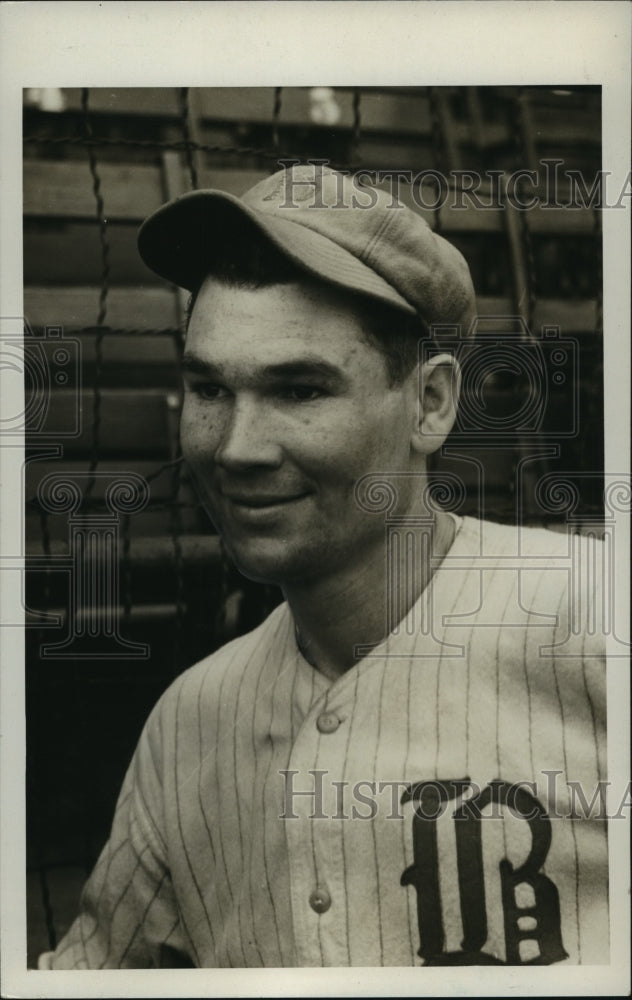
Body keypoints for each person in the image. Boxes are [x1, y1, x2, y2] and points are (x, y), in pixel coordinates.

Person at [39, 164, 608, 968]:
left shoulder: (597, 625)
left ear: (431, 403)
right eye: (208, 388)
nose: (235, 448)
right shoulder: (189, 723)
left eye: (300, 390)